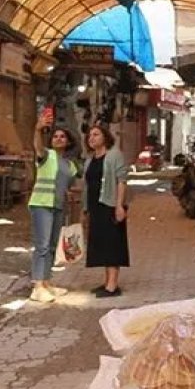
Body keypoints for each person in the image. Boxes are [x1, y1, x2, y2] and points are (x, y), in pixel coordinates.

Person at [29, 115, 80, 303]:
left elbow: (69, 186)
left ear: (68, 142)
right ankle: (37, 286)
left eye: (62, 137)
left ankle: (47, 282)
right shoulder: (46, 155)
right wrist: (38, 129)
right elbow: (38, 147)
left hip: (58, 206)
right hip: (42, 203)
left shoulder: (71, 166)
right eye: (55, 136)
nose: (58, 139)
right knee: (41, 246)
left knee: (51, 246)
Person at [83, 125, 130, 297]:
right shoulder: (90, 159)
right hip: (95, 206)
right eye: (90, 135)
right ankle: (106, 282)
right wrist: (85, 209)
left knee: (112, 244)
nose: (92, 138)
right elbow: (87, 187)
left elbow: (121, 180)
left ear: (105, 137)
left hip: (109, 205)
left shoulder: (114, 155)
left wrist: (119, 205)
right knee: (101, 244)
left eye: (96, 134)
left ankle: (112, 285)